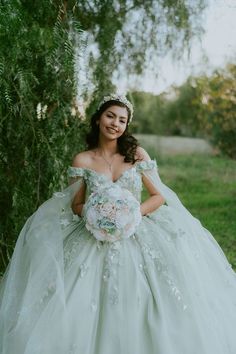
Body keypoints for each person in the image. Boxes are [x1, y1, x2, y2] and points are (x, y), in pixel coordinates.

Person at [0, 93, 236, 354]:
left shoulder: (136, 154)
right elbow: (76, 205)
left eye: (122, 120)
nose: (115, 123)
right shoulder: (83, 160)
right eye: (110, 116)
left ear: (126, 126)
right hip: (93, 232)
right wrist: (95, 214)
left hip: (138, 228)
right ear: (98, 118)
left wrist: (133, 214)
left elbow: (158, 196)